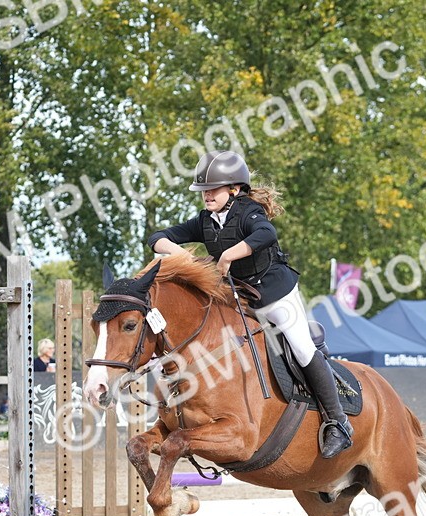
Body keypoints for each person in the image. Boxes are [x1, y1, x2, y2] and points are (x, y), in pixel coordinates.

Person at [147, 150, 353, 458]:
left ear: (234, 189)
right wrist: (182, 255)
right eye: (204, 191)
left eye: (213, 189)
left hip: (276, 294)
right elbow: (157, 236)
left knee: (300, 347)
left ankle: (338, 422)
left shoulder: (248, 212)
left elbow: (266, 234)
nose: (206, 195)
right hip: (239, 297)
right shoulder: (205, 221)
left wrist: (227, 255)